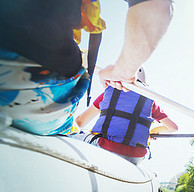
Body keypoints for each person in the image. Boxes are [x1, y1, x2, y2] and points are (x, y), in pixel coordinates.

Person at [0, 0, 173, 135]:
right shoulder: (151, 103)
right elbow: (156, 6)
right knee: (65, 129)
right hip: (38, 73)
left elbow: (82, 121)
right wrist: (123, 72)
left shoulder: (108, 96)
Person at [73, 67, 178, 164]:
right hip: (136, 157)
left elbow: (80, 122)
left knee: (71, 134)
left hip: (105, 147)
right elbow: (173, 128)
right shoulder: (150, 101)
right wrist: (152, 131)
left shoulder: (108, 93)